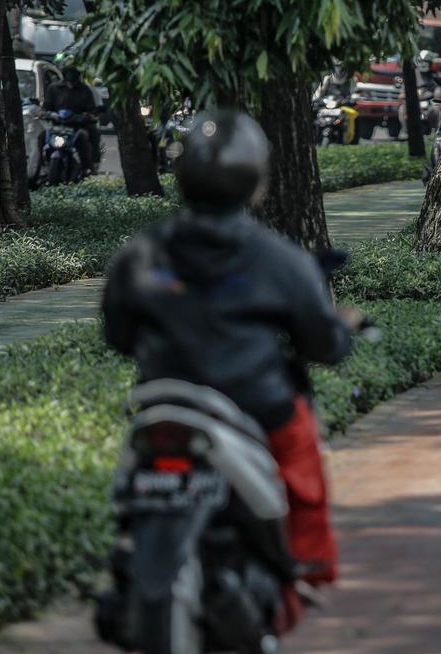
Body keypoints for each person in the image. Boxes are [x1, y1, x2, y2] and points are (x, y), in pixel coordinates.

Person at [101, 110, 359, 631]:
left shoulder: (140, 254)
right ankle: (306, 567)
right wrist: (342, 330)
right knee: (301, 449)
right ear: (254, 182)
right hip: (256, 412)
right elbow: (324, 344)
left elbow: (118, 336)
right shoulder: (279, 259)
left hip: (162, 406)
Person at [43, 66, 101, 174]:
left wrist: (88, 116)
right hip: (56, 125)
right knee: (40, 135)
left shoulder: (85, 90)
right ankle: (40, 164)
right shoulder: (53, 88)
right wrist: (49, 114)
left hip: (77, 126)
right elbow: (46, 107)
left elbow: (92, 110)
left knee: (90, 134)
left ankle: (89, 165)